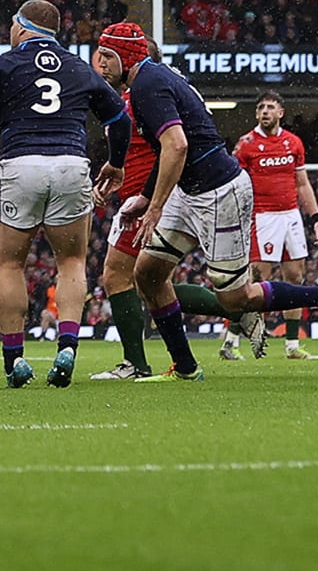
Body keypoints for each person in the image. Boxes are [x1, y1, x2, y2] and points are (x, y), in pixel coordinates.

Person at [123, 36, 318, 380]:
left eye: (107, 56)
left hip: (222, 195)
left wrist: (314, 217)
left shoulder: (152, 86)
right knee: (147, 272)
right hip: (194, 192)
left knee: (237, 297)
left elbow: (178, 146)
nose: (101, 64)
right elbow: (172, 151)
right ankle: (187, 367)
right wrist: (148, 197)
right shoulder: (240, 137)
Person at [0, 0, 129, 387]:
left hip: (20, 164)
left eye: (12, 24)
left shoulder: (2, 65)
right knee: (72, 261)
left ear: (22, 27)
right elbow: (119, 118)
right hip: (71, 165)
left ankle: (15, 361)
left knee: (9, 265)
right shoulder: (79, 67)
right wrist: (116, 162)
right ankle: (69, 346)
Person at [84, 27, 235, 381]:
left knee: (121, 276)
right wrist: (116, 175)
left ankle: (137, 364)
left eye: (110, 58)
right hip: (139, 195)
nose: (103, 64)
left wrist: (150, 198)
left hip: (150, 197)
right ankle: (234, 313)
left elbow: (170, 147)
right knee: (148, 281)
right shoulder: (131, 98)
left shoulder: (144, 95)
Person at [231, 91, 318, 360]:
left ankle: (292, 346)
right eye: (261, 107)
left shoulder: (293, 143)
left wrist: (316, 218)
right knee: (256, 282)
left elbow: (302, 184)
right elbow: (233, 181)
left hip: (291, 216)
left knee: (295, 278)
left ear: (280, 113)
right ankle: (231, 341)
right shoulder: (246, 145)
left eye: (270, 107)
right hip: (262, 217)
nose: (265, 111)